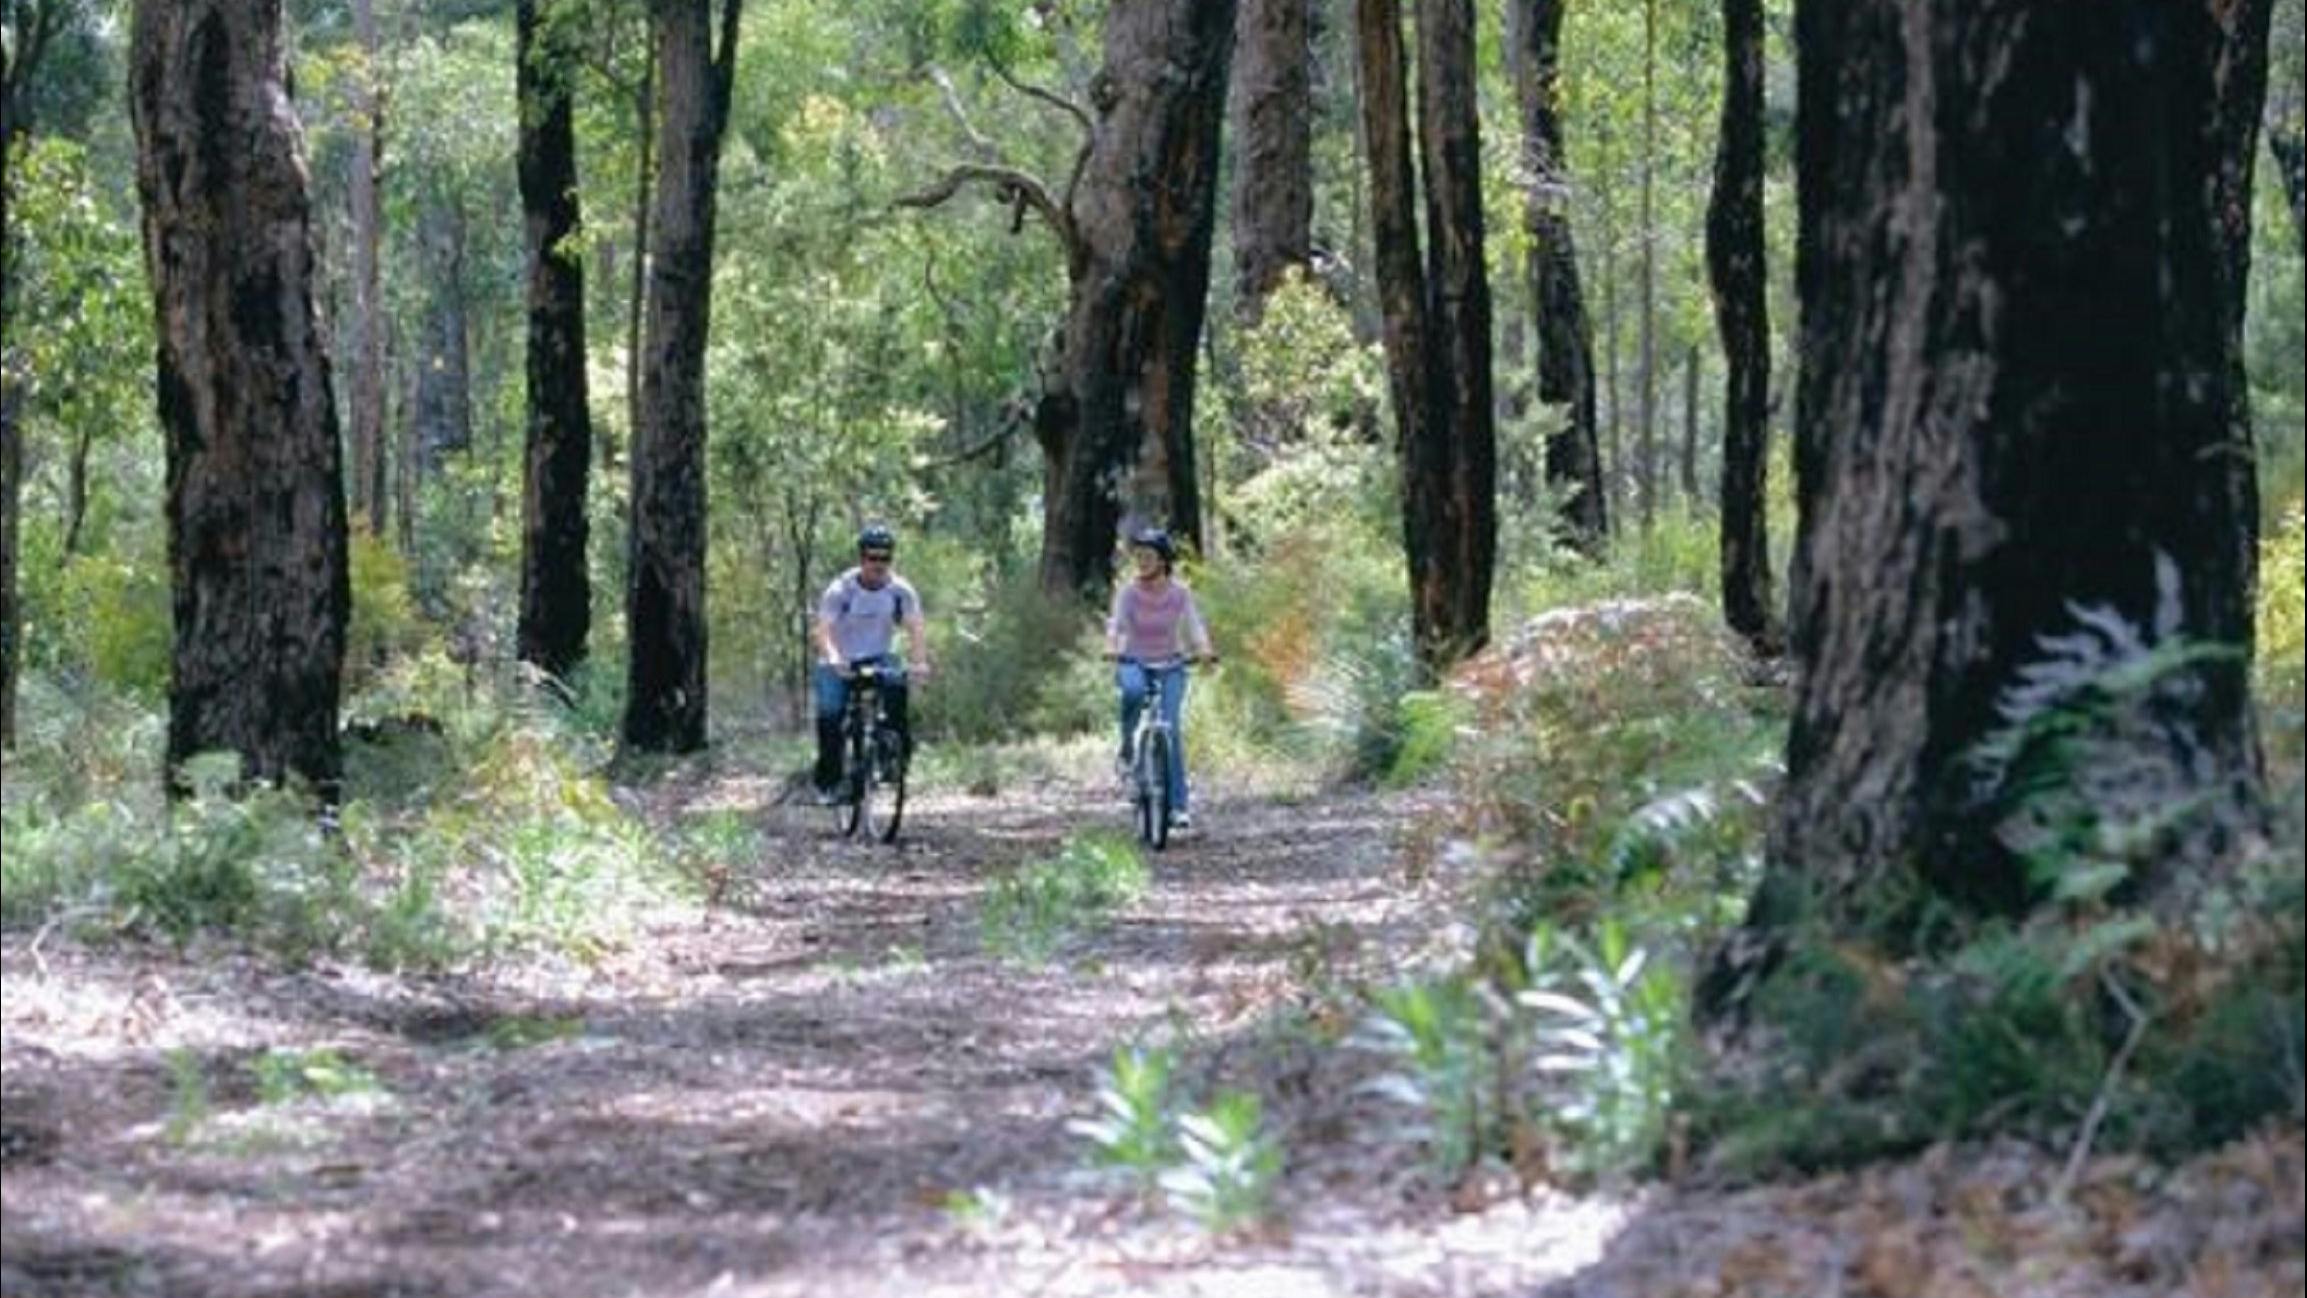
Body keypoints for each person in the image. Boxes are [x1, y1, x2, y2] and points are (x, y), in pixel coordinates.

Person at [1105, 527, 1216, 830]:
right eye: (1138, 556)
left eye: (1148, 556)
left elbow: (1194, 626)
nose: (1141, 561)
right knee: (1132, 692)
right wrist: (1112, 646)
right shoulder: (1128, 592)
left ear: (1163, 560)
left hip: (1171, 664)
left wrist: (1204, 649)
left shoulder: (1180, 594)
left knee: (1171, 727)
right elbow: (1116, 625)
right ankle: (1128, 750)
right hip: (1134, 660)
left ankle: (1178, 805)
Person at [813, 524, 933, 803]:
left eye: (884, 558)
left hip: (878, 655)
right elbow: (823, 630)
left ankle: (894, 761)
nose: (878, 564)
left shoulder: (900, 591)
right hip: (839, 659)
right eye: (872, 557)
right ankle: (829, 782)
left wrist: (919, 663)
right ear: (861, 558)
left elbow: (915, 628)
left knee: (896, 694)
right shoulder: (841, 590)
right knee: (831, 714)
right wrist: (833, 658)